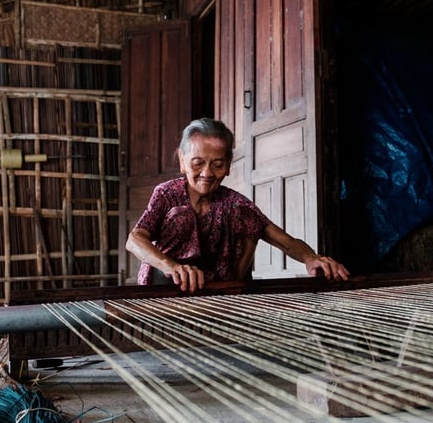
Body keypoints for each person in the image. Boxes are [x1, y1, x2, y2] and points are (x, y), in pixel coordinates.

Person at [126, 117, 350, 292]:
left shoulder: (236, 204)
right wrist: (172, 267)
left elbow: (287, 243)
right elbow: (135, 240)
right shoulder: (167, 193)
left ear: (228, 165)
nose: (207, 173)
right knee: (179, 218)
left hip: (212, 290)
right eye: (197, 163)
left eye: (217, 164)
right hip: (164, 287)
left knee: (246, 219)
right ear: (182, 161)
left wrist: (312, 258)